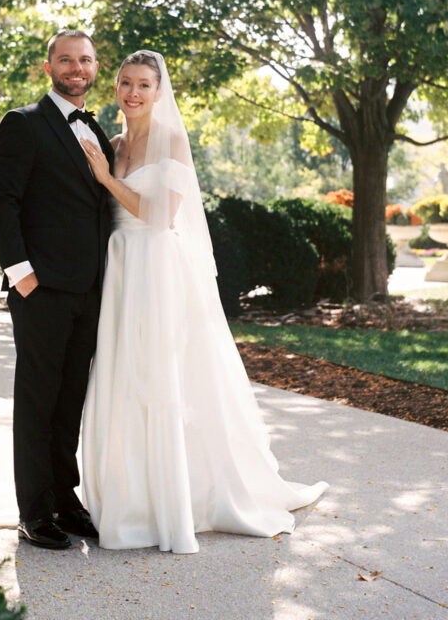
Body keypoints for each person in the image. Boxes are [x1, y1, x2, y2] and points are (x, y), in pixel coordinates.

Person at [78, 50, 328, 554]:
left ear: (158, 90)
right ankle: (127, 497)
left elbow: (161, 214)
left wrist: (107, 179)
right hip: (120, 267)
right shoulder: (116, 142)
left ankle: (174, 499)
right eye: (125, 83)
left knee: (158, 375)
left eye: (144, 84)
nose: (132, 93)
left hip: (156, 268)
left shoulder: (170, 139)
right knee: (120, 376)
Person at [0, 30, 115, 550]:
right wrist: (23, 276)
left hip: (90, 290)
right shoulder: (23, 124)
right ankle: (34, 510)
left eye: (84, 60)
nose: (76, 68)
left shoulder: (98, 130)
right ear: (49, 67)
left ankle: (66, 497)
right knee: (38, 400)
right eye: (66, 59)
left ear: (95, 67)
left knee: (70, 400)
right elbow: (3, 202)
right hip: (41, 289)